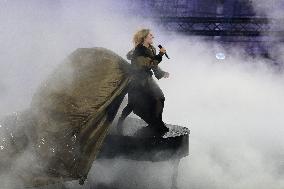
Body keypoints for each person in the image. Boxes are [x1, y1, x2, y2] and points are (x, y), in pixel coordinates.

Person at [117, 28, 170, 136]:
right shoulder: (139, 51)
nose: (153, 37)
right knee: (134, 105)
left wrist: (161, 73)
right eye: (150, 35)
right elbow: (148, 64)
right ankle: (120, 123)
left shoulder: (151, 49)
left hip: (147, 79)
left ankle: (157, 124)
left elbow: (153, 65)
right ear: (144, 37)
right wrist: (160, 55)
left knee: (159, 98)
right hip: (138, 80)